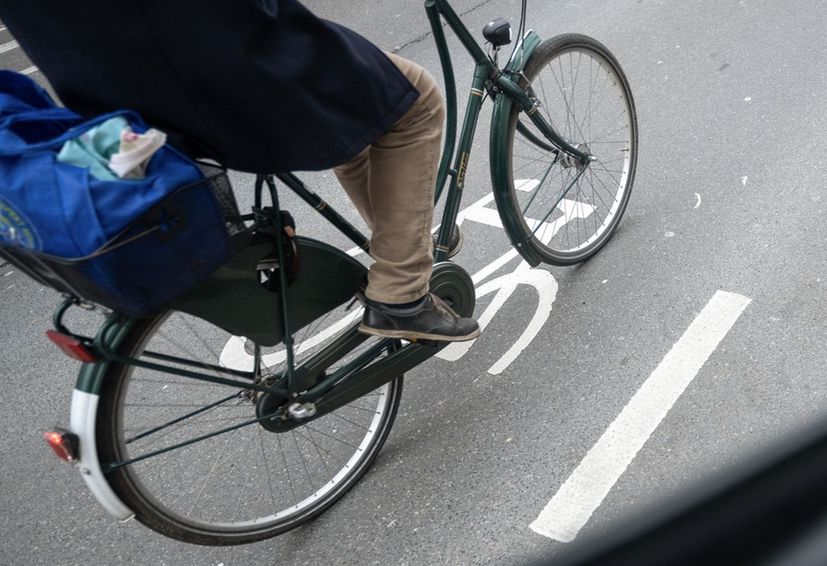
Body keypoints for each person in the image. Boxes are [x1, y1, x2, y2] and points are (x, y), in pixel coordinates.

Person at [0, 0, 481, 342]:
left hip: (109, 97)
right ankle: (401, 294)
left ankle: (401, 241)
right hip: (216, 64)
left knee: (358, 115)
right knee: (413, 102)